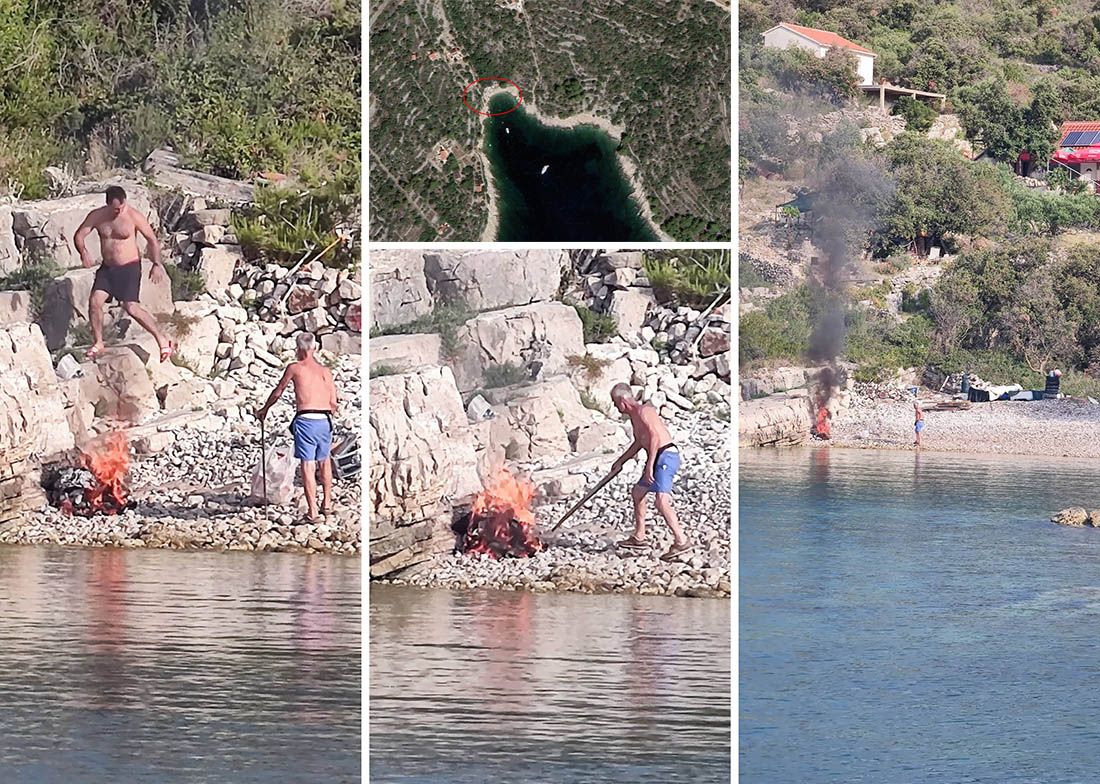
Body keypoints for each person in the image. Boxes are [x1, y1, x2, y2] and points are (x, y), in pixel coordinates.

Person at [74, 185, 173, 362]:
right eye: (113, 209)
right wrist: (83, 252)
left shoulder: (133, 216)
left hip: (129, 267)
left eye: (119, 208)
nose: (117, 212)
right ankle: (98, 342)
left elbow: (151, 239)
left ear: (125, 202)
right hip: (108, 268)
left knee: (131, 307)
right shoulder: (98, 216)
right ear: (107, 204)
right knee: (95, 302)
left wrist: (156, 264)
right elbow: (79, 235)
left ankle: (162, 339)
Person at [256, 333, 338, 521]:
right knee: (324, 461)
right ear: (314, 348)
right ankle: (327, 503)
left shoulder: (294, 368)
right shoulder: (326, 371)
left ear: (299, 349)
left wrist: (264, 410)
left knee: (307, 465)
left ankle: (313, 512)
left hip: (306, 420)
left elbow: (278, 391)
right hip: (325, 420)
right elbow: (334, 402)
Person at [608, 383, 691, 560]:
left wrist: (649, 465)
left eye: (615, 403)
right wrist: (620, 461)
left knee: (661, 500)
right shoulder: (634, 418)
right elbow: (639, 443)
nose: (616, 407)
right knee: (638, 493)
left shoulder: (644, 411)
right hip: (657, 458)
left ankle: (681, 540)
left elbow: (654, 436)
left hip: (666, 456)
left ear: (623, 401)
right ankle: (639, 537)